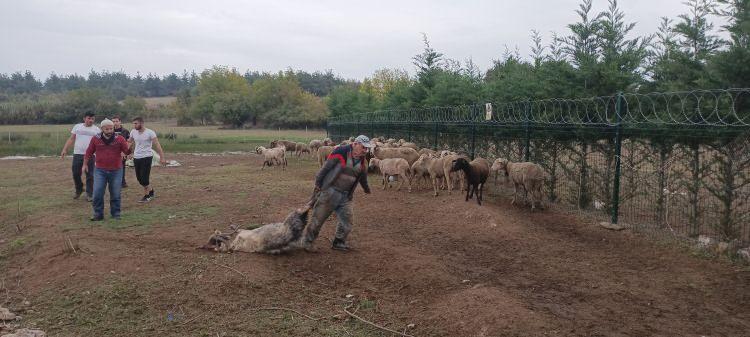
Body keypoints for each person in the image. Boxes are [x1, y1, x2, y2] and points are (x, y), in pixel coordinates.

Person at [300, 135, 373, 251]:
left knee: (347, 221)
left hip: (345, 195)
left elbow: (362, 177)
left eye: (367, 148)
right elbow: (325, 168)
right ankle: (307, 242)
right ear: (355, 144)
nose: (366, 150)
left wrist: (366, 188)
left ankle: (339, 242)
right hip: (330, 191)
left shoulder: (363, 162)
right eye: (364, 147)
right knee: (318, 218)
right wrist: (318, 184)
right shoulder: (341, 151)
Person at [83, 119, 132, 221]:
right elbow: (88, 152)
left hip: (116, 170)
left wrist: (130, 149)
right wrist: (85, 164)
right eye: (107, 129)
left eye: (111, 128)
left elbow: (126, 151)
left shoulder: (120, 139)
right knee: (97, 193)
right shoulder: (95, 139)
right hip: (100, 170)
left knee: (115, 193)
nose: (109, 131)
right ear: (102, 129)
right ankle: (98, 214)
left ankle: (116, 214)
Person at [60, 112, 101, 201]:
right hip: (78, 154)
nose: (91, 120)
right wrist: (65, 149)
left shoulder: (97, 130)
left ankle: (89, 194)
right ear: (84, 118)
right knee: (75, 173)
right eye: (89, 118)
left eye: (92, 119)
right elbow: (71, 138)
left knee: (90, 175)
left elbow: (99, 144)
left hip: (90, 155)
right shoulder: (77, 127)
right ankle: (79, 189)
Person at [129, 117, 167, 202]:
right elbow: (129, 142)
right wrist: (129, 152)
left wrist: (162, 157)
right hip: (137, 157)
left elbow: (157, 145)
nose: (134, 125)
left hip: (147, 157)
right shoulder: (133, 132)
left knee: (144, 178)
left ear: (141, 123)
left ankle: (147, 196)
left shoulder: (150, 132)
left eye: (136, 123)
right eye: (134, 124)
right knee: (139, 179)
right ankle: (151, 190)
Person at [112, 116, 130, 188]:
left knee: (121, 167)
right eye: (113, 121)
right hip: (112, 153)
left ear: (120, 122)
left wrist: (126, 152)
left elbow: (128, 142)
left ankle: (122, 182)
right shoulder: (110, 130)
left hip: (122, 153)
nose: (115, 123)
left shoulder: (125, 131)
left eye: (116, 121)